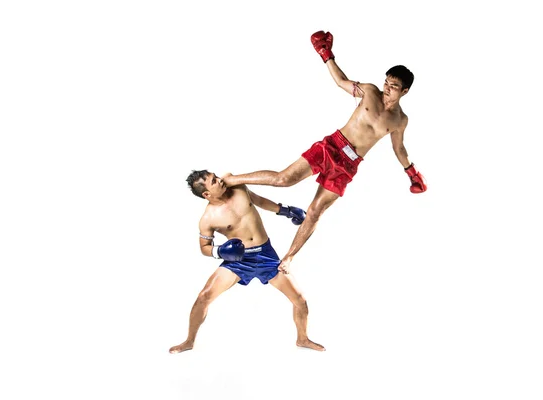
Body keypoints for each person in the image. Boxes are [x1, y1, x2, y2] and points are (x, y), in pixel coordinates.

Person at [222, 30, 427, 274]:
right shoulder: (370, 91)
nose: (387, 89)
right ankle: (233, 179)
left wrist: (412, 172)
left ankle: (288, 258)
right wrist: (326, 54)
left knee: (315, 211)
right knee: (284, 179)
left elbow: (399, 148)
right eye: (386, 82)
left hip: (349, 166)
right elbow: (341, 81)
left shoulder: (400, 120)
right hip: (332, 146)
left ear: (404, 91)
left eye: (394, 86)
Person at [169, 170, 325, 354]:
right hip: (238, 261)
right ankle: (189, 341)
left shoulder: (239, 188)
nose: (220, 180)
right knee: (204, 297)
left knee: (300, 299)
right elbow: (204, 247)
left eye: (216, 176)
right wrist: (219, 251)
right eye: (214, 181)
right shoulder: (208, 219)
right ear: (206, 194)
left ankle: (302, 338)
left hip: (266, 256)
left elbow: (258, 201)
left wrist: (285, 211)